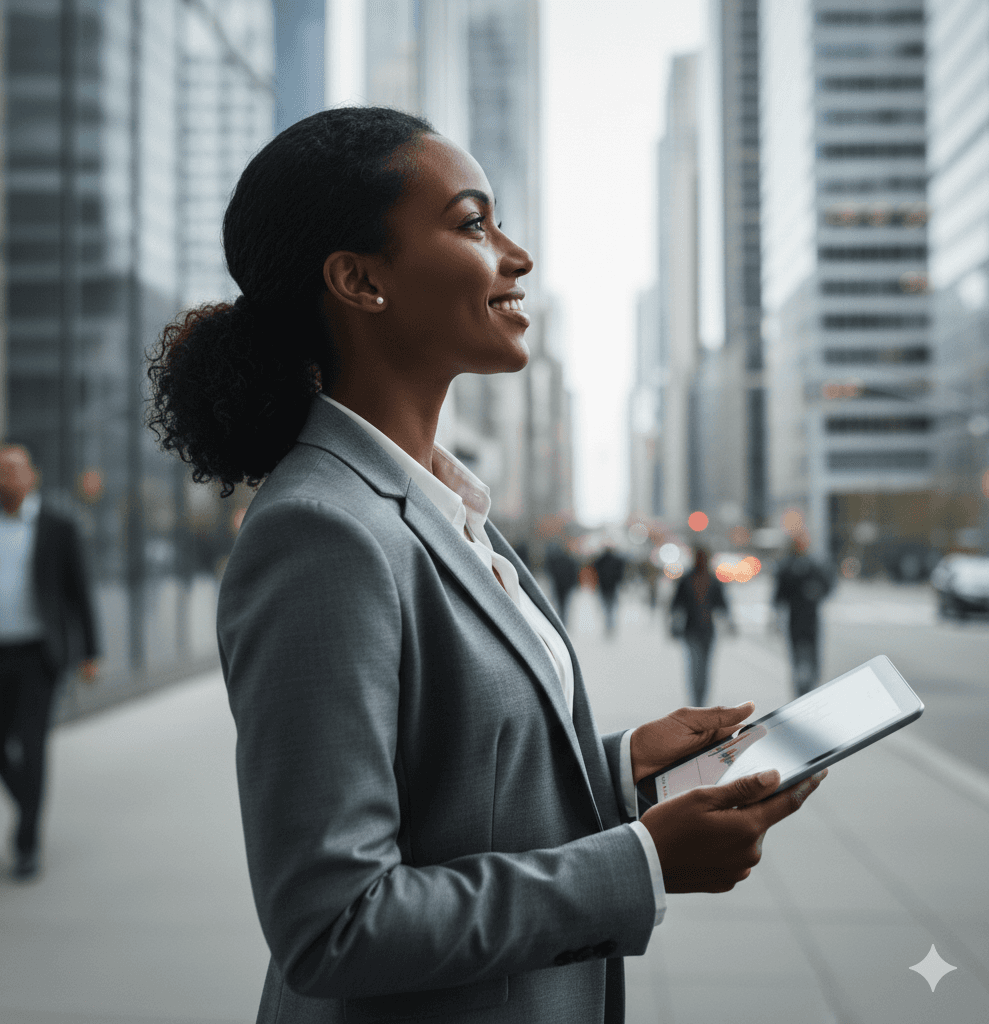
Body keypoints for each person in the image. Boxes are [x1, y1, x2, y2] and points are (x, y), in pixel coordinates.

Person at [147, 106, 826, 1024]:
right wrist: (643, 863)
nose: (516, 255)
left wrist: (620, 769)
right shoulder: (320, 534)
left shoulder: (446, 504)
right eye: (472, 223)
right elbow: (334, 925)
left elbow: (448, 789)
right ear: (358, 280)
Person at [0, 444, 100, 879]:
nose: (5, 479)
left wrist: (91, 653)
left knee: (32, 743)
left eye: (14, 471)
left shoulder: (58, 527)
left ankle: (26, 843)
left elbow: (80, 592)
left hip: (38, 658)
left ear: (32, 477)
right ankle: (29, 803)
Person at [773, 531, 833, 697]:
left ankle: (807, 689)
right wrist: (775, 620)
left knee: (812, 662)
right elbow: (778, 596)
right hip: (797, 621)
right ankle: (801, 692)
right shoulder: (787, 567)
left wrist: (817, 592)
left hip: (810, 620)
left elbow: (827, 586)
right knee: (799, 660)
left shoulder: (813, 565)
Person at [669, 548, 731, 706]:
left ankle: (702, 699)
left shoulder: (713, 580)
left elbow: (722, 605)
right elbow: (676, 604)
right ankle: (696, 701)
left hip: (708, 632)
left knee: (705, 668)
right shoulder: (687, 580)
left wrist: (729, 623)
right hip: (691, 631)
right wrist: (674, 624)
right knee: (695, 667)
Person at [543, 540, 580, 627]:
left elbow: (550, 573)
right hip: (566, 586)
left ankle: (561, 621)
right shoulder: (571, 561)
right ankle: (564, 621)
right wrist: (574, 584)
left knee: (560, 605)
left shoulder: (555, 561)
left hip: (559, 586)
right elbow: (575, 574)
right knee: (565, 605)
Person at [593, 544, 626, 637]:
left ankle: (608, 625)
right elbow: (620, 573)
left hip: (603, 586)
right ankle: (610, 624)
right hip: (612, 586)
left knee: (606, 607)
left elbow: (594, 568)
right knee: (611, 607)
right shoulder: (616, 560)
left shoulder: (601, 560)